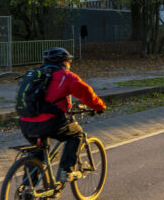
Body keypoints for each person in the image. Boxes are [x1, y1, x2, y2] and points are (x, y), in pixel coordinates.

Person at [19, 47, 107, 182]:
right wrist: (100, 106)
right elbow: (87, 94)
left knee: (38, 152)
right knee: (76, 134)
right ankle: (66, 170)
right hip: (49, 122)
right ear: (65, 62)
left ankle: (28, 189)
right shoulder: (66, 76)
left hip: (26, 122)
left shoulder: (35, 75)